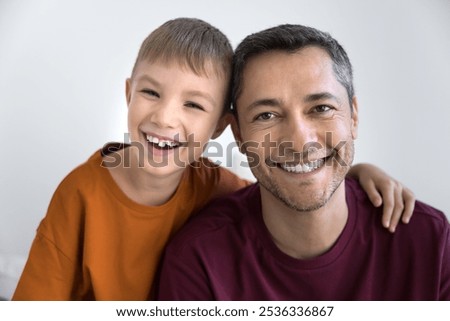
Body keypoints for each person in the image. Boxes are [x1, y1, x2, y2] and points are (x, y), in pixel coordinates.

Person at [13, 18, 413, 301]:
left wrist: (356, 172)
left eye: (192, 104)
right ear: (128, 94)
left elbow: (291, 184)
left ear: (222, 127)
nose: (165, 117)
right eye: (151, 93)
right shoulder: (80, 194)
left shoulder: (216, 186)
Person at [157, 24, 450, 300]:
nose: (299, 141)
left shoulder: (430, 242)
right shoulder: (199, 260)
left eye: (321, 108)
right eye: (267, 115)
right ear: (239, 135)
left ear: (354, 117)